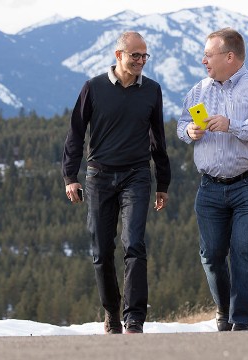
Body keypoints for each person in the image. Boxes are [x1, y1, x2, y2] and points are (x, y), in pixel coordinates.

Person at [62, 31, 171, 334]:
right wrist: (70, 176)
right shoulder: (93, 88)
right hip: (99, 176)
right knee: (101, 249)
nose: (140, 61)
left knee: (134, 243)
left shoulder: (152, 90)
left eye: (144, 56)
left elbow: (158, 139)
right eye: (135, 55)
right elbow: (75, 133)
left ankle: (134, 317)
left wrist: (163, 181)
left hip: (137, 175)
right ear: (118, 55)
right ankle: (111, 312)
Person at [176, 28, 248, 331]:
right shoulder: (199, 90)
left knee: (244, 249)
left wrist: (232, 125)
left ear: (229, 56)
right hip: (209, 187)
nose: (203, 60)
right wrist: (189, 132)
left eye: (208, 55)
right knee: (210, 255)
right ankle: (223, 312)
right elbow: (182, 123)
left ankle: (241, 322)